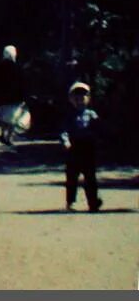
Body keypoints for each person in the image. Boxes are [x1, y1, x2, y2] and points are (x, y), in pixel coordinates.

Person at [61, 81, 102, 212]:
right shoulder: (69, 116)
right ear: (71, 99)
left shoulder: (92, 114)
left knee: (90, 177)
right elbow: (63, 130)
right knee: (72, 177)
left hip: (88, 148)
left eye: (83, 97)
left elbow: (99, 128)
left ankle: (93, 202)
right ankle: (70, 202)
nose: (80, 101)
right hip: (74, 148)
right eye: (76, 98)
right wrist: (65, 140)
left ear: (88, 99)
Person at [0, 45, 26, 145]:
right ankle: (9, 137)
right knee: (12, 119)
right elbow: (23, 83)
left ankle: (3, 133)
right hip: (15, 98)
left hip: (1, 97)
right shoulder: (18, 68)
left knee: (3, 118)